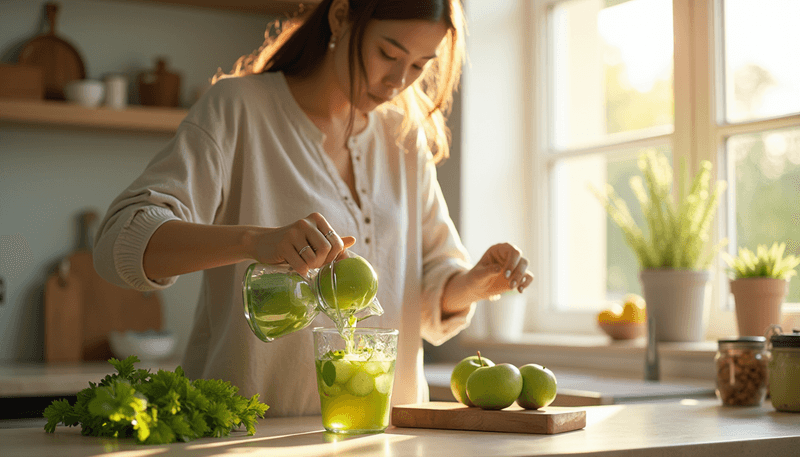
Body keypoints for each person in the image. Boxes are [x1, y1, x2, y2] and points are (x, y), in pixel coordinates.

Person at [93, 0, 534, 417]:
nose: (399, 81)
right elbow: (122, 242)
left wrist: (473, 284)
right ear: (341, 16)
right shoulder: (238, 108)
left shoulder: (404, 137)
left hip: (386, 435)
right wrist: (255, 240)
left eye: (420, 66)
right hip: (247, 433)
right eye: (388, 53)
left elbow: (423, 294)